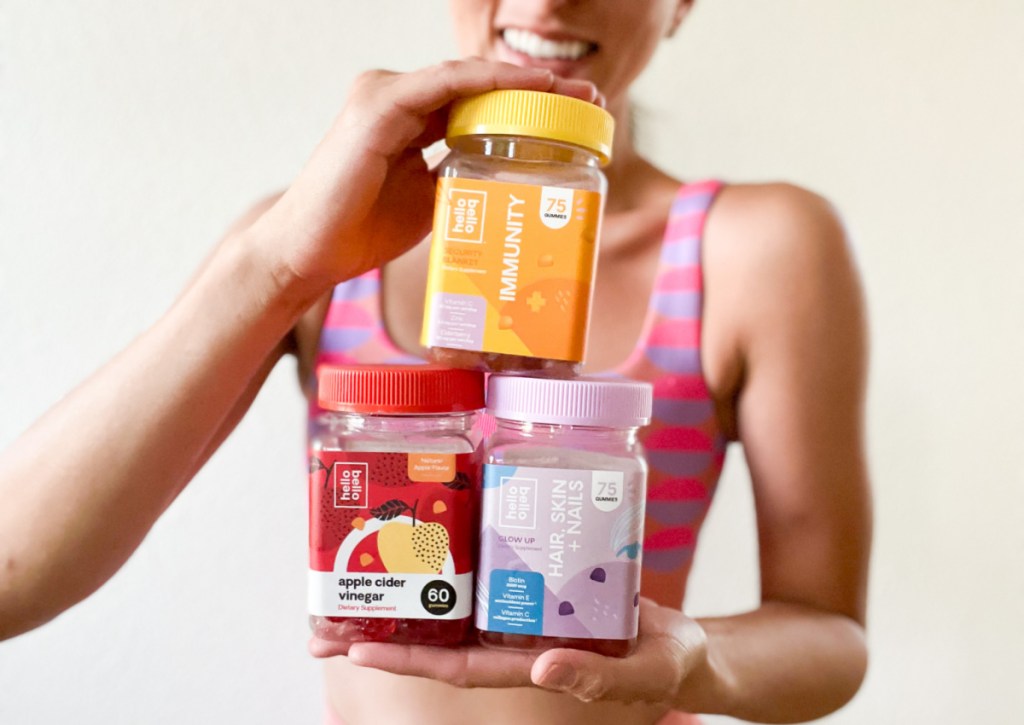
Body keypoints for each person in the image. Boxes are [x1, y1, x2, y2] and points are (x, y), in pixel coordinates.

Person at [0, 2, 871, 724]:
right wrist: (272, 267)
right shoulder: (309, 246)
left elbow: (829, 633)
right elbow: (13, 574)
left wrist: (697, 661)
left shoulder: (757, 249)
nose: (547, 3)